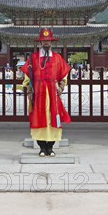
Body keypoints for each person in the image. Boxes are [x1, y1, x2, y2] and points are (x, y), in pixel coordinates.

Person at [21, 28, 71, 157]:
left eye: (48, 41)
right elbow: (28, 75)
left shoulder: (57, 58)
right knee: (39, 119)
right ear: (40, 43)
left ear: (51, 42)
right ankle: (42, 147)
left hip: (53, 95)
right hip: (39, 95)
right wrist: (29, 88)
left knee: (54, 118)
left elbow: (64, 74)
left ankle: (51, 147)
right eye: (44, 41)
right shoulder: (33, 58)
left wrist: (61, 86)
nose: (46, 43)